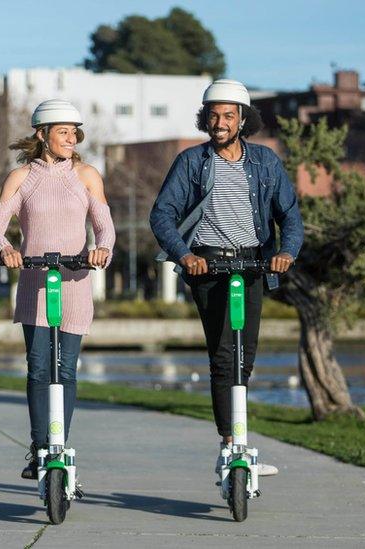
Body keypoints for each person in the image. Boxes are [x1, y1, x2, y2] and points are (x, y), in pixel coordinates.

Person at [149, 79, 304, 477]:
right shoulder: (191, 161)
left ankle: (241, 437)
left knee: (244, 357)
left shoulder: (266, 162)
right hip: (209, 266)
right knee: (222, 357)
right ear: (206, 119)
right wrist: (185, 255)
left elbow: (290, 215)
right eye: (213, 115)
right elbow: (162, 214)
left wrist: (286, 252)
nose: (220, 122)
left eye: (228, 116)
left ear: (242, 120)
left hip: (253, 265)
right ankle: (230, 443)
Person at [0, 99, 116, 479]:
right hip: (35, 281)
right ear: (42, 134)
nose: (71, 138)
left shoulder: (87, 175)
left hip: (74, 281)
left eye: (74, 132)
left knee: (66, 371)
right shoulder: (21, 177)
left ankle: (60, 446)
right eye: (63, 132)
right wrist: (5, 249)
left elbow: (104, 225)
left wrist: (103, 247)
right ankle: (40, 447)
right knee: (39, 368)